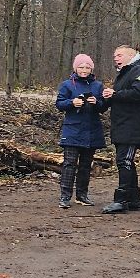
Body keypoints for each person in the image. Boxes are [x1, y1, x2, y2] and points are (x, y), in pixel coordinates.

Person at [101, 43, 140, 214]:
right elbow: (119, 97)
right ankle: (134, 199)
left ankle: (121, 200)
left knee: (124, 161)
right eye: (114, 56)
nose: (115, 58)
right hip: (122, 125)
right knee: (126, 161)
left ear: (131, 55)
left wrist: (115, 94)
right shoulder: (124, 73)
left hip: (134, 125)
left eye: (119, 55)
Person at [55, 54, 106, 209]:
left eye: (87, 67)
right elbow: (59, 103)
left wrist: (97, 102)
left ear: (91, 69)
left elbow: (104, 107)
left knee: (85, 165)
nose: (84, 70)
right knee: (69, 164)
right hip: (72, 130)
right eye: (81, 67)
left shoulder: (98, 86)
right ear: (75, 68)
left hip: (92, 130)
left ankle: (82, 195)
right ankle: (65, 196)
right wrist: (72, 102)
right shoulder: (67, 85)